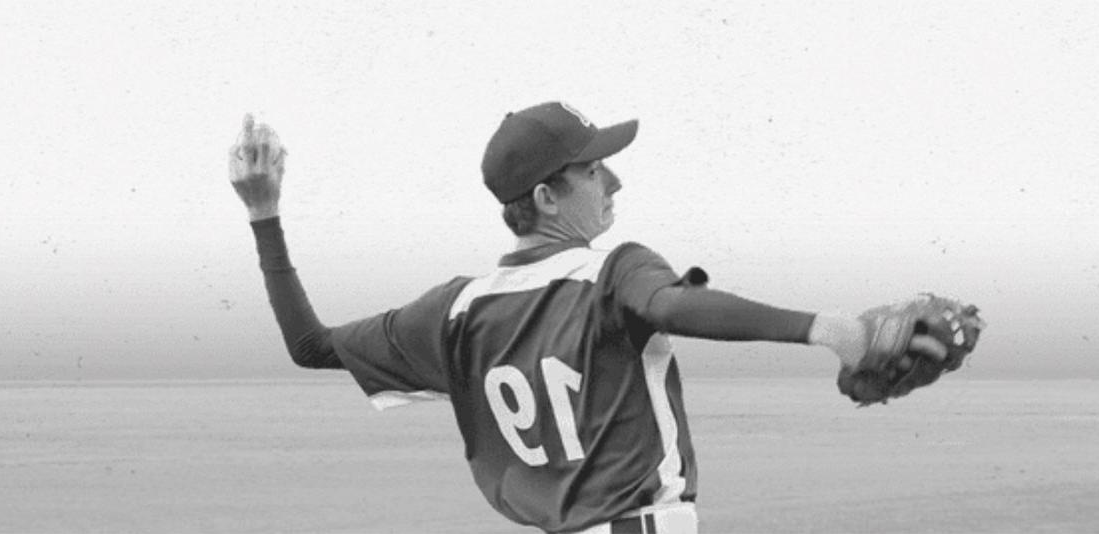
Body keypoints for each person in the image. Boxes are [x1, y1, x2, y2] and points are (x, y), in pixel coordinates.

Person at [227, 102, 953, 534]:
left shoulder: (452, 311)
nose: (613, 179)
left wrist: (264, 215)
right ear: (546, 198)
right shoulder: (612, 271)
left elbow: (310, 345)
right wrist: (833, 330)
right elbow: (672, 305)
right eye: (592, 169)